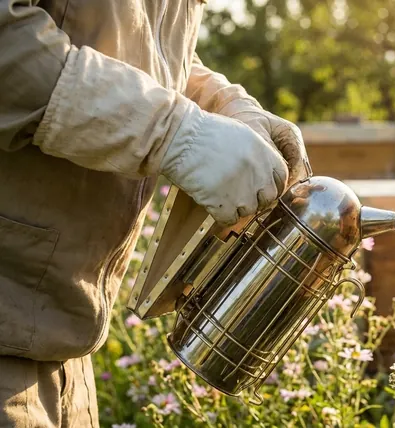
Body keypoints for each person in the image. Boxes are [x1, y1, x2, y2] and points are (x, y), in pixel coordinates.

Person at [0, 0, 312, 426]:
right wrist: (175, 132)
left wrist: (227, 107)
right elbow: (10, 42)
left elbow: (145, 48)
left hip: (65, 348)